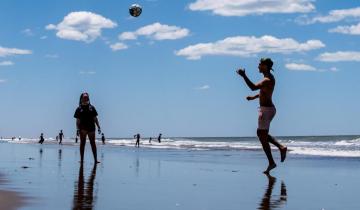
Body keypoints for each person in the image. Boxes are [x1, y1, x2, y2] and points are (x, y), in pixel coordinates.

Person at [237, 58, 287, 174]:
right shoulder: (267, 79)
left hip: (266, 110)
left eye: (260, 64)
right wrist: (254, 97)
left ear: (266, 66)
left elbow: (254, 87)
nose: (258, 66)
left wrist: (244, 76)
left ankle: (276, 154)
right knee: (261, 134)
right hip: (267, 109)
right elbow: (264, 93)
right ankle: (277, 154)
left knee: (261, 134)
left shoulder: (267, 79)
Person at [74, 93, 101, 164]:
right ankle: (82, 160)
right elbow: (77, 121)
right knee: (82, 144)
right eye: (84, 98)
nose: (86, 99)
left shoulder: (92, 107)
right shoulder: (79, 109)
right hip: (82, 128)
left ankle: (95, 160)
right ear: (81, 99)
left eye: (87, 98)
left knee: (93, 143)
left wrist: (98, 126)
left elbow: (95, 118)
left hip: (91, 128)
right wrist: (77, 129)